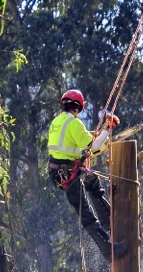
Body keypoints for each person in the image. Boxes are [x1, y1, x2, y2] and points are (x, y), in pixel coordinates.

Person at [47, 89, 129, 261]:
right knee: (87, 216)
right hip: (67, 173)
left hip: (60, 171)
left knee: (92, 182)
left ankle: (108, 222)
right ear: (78, 107)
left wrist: (96, 136)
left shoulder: (57, 121)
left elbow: (73, 142)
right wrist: (108, 128)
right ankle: (110, 252)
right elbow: (92, 147)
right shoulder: (73, 123)